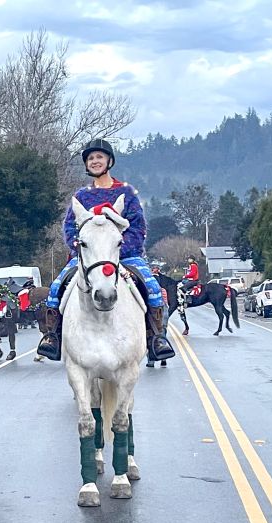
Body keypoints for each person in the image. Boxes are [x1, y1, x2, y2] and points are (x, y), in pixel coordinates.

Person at [37, 138, 175, 362]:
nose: (95, 161)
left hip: (125, 256)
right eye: (90, 158)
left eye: (99, 157)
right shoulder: (81, 197)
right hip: (89, 257)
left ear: (109, 160)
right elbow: (70, 228)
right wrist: (78, 246)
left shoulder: (127, 194)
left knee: (152, 288)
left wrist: (117, 250)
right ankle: (54, 337)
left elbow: (138, 227)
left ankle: (156, 338)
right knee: (55, 289)